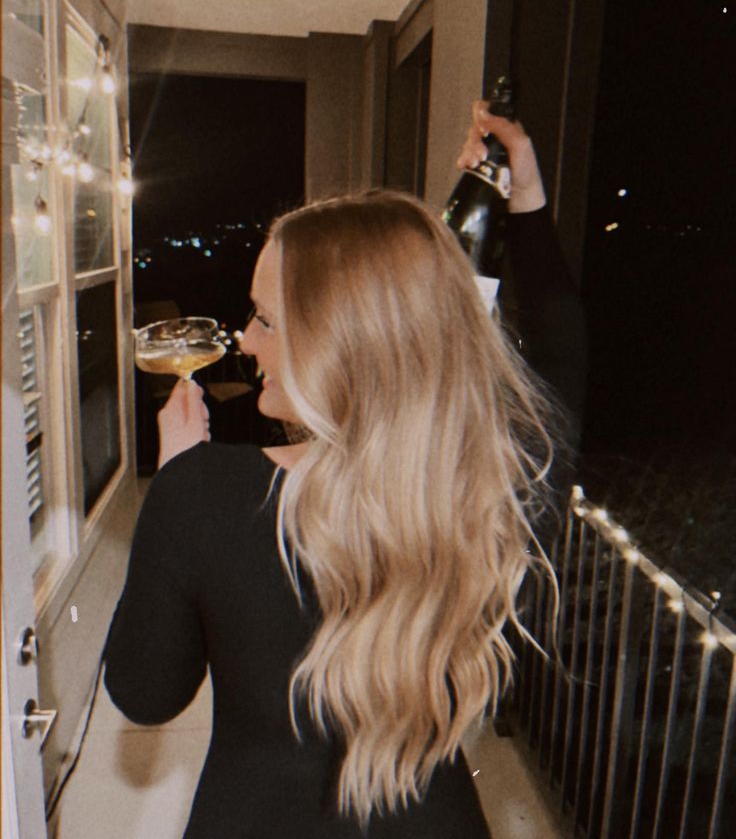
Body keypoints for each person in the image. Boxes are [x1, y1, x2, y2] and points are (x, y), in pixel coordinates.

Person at [103, 104, 570, 837]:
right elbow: (561, 349)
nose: (246, 342)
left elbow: (144, 693)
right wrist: (527, 192)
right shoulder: (491, 491)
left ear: (335, 344)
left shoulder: (203, 491)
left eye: (264, 319)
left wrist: (172, 485)